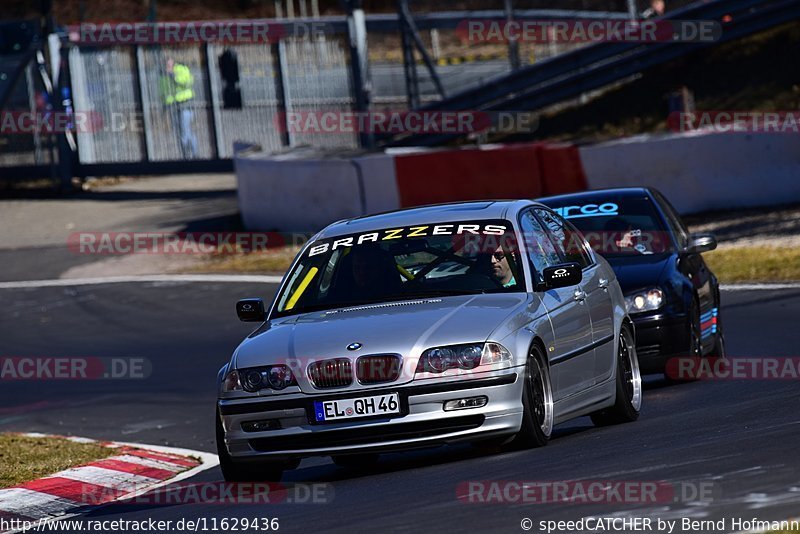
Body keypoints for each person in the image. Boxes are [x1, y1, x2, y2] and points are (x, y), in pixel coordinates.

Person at [160, 57, 198, 159]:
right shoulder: (163, 75)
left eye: (169, 62)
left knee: (184, 132)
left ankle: (192, 155)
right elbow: (164, 92)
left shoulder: (182, 69)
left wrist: (173, 76)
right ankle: (187, 156)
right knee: (180, 133)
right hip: (173, 107)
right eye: (165, 63)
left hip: (185, 105)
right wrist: (164, 108)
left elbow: (187, 83)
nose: (167, 65)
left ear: (173, 62)